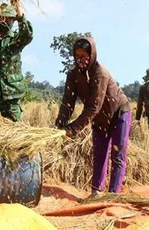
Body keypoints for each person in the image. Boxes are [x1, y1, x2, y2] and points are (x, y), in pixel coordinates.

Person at [55, 37, 131, 196]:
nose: (81, 59)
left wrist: (75, 128)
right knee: (100, 154)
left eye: (84, 55)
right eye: (77, 55)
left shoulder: (100, 73)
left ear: (92, 54)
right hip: (98, 117)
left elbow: (94, 105)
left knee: (117, 154)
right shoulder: (73, 74)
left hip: (118, 112)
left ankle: (113, 194)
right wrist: (60, 125)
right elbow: (68, 101)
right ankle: (96, 192)